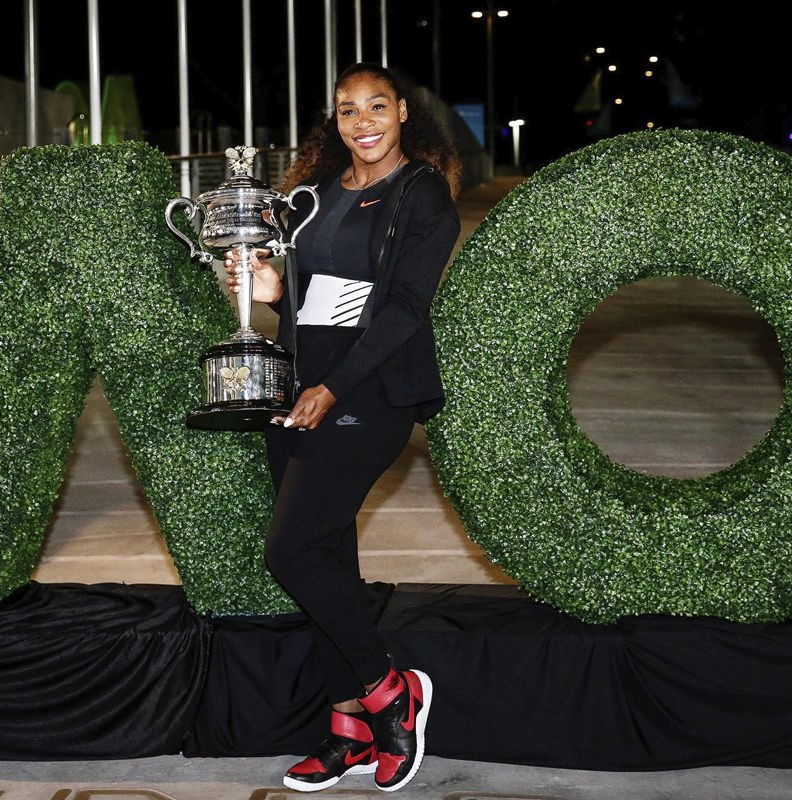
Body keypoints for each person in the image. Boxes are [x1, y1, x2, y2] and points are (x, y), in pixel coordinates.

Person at [223, 63, 461, 793]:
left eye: (377, 107)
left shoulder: (423, 196)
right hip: (298, 391)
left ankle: (393, 693)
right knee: (326, 559)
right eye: (347, 110)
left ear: (403, 115)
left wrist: (334, 386)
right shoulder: (318, 198)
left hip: (367, 395)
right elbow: (310, 306)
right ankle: (350, 726)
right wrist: (265, 292)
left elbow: (401, 312)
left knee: (290, 551)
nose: (362, 121)